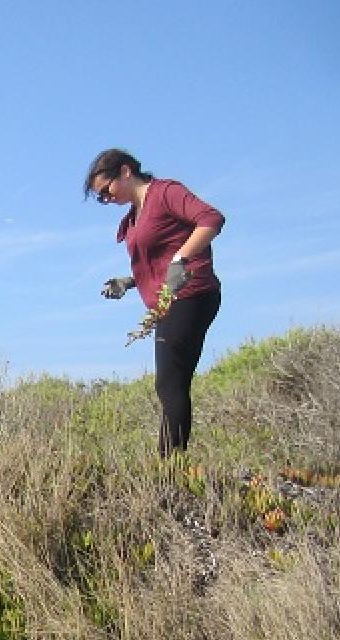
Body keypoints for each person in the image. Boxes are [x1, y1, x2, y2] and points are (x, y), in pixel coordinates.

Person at [86, 148, 226, 455]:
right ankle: (169, 467)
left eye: (106, 191)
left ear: (125, 172)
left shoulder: (165, 193)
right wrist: (129, 281)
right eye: (100, 198)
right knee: (172, 385)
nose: (106, 199)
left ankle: (168, 473)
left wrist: (182, 259)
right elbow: (157, 263)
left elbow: (211, 219)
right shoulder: (133, 217)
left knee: (169, 384)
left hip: (191, 295)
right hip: (167, 303)